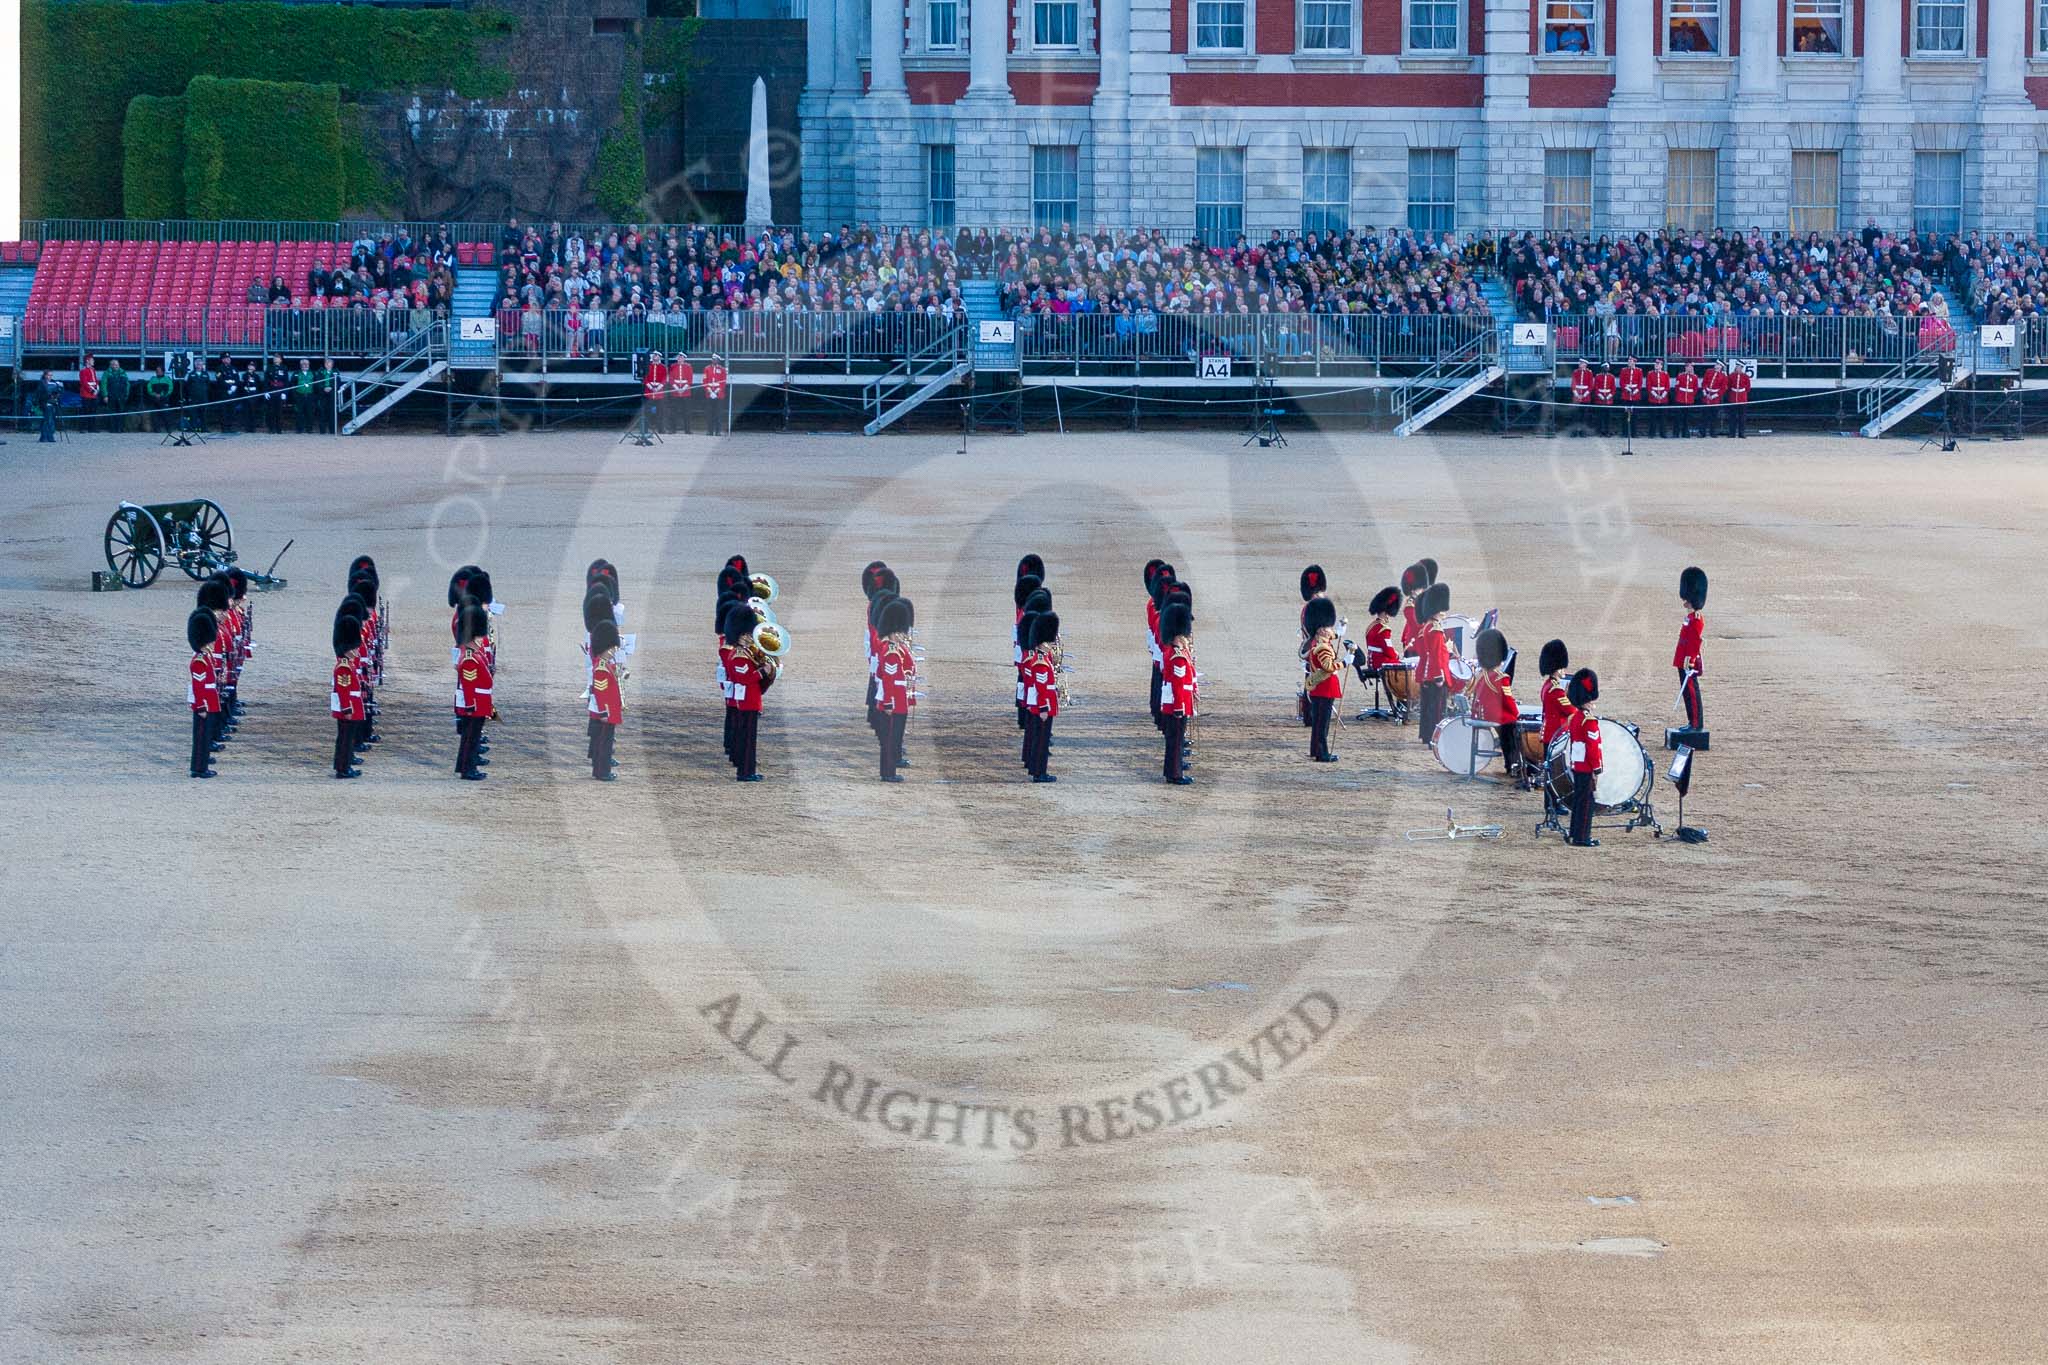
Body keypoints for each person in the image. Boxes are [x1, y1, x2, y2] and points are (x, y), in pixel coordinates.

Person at [1411, 581, 1464, 746]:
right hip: (1436, 673)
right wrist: (1439, 676)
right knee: (1436, 709)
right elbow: (1435, 656)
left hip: (1428, 672)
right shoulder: (1434, 629)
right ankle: (1434, 737)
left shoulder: (1428, 627)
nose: (1444, 613)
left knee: (1428, 706)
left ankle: (1427, 735)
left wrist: (1445, 648)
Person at [724, 603, 770, 781]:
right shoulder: (738, 656)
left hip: (750, 700)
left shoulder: (745, 652)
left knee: (749, 739)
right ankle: (745, 772)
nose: (751, 638)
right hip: (746, 702)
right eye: (748, 635)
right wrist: (762, 671)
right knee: (747, 739)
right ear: (741, 635)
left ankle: (748, 769)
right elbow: (744, 678)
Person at [1470, 627, 1522, 782]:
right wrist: (1517, 714)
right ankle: (1513, 763)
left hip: (1483, 713)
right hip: (1497, 716)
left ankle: (1511, 763)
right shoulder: (1500, 677)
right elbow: (1508, 701)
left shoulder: (1482, 674)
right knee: (1512, 729)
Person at [875, 595, 916, 781]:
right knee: (890, 740)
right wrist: (889, 704)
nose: (901, 634)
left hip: (898, 701)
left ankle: (888, 771)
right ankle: (888, 773)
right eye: (899, 631)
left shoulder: (892, 648)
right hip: (894, 703)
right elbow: (889, 682)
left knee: (891, 739)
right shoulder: (891, 652)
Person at [454, 600, 494, 780]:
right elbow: (469, 686)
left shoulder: (474, 655)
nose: (481, 640)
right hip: (475, 704)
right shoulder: (470, 658)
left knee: (472, 738)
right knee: (471, 739)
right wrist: (471, 705)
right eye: (479, 637)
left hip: (480, 702)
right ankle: (467, 769)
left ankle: (466, 766)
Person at [1565, 668, 1604, 847]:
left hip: (1577, 764)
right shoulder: (1588, 720)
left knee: (1579, 801)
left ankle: (1574, 833)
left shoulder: (1575, 717)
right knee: (1587, 803)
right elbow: (1593, 748)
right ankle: (1582, 837)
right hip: (1587, 766)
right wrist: (1597, 768)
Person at [1303, 596, 1344, 763]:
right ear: (1320, 629)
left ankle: (1316, 750)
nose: (1330, 629)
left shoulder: (1317, 641)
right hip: (1325, 686)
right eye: (1328, 627)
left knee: (1319, 723)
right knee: (1323, 724)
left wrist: (1340, 631)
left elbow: (1331, 635)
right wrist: (1345, 662)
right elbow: (1328, 667)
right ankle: (1322, 753)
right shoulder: (1322, 647)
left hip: (1319, 687)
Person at [1160, 600, 1197, 785]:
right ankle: (1175, 774)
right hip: (1177, 704)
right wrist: (1180, 707)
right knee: (1175, 741)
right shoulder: (1178, 657)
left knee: (1174, 740)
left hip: (1174, 702)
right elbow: (1178, 686)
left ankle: (1172, 771)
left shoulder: (1172, 652)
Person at [1022, 610, 1061, 782]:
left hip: (1043, 703)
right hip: (1043, 706)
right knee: (1041, 741)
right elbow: (1042, 688)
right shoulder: (1040, 663)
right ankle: (1040, 773)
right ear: (1040, 643)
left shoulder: (1040, 659)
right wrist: (1044, 708)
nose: (1050, 645)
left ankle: (1037, 769)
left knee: (1040, 739)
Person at [588, 617, 624, 780]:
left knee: (602, 743)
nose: (614, 651)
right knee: (604, 744)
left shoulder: (604, 663)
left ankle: (599, 771)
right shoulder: (601, 668)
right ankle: (603, 772)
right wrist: (604, 712)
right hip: (605, 713)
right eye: (611, 648)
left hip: (607, 712)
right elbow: (601, 693)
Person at [332, 613, 366, 779]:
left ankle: (342, 764)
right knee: (346, 739)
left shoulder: (348, 664)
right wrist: (347, 708)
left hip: (351, 705)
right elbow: (343, 690)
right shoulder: (344, 667)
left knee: (345, 738)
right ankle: (343, 768)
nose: (357, 651)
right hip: (349, 708)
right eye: (354, 648)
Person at [1676, 565, 1707, 730]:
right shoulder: (1689, 617)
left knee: (1692, 694)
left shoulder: (1696, 618)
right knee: (1687, 693)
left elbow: (1695, 641)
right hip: (1683, 659)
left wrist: (1690, 659)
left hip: (1689, 661)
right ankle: (1691, 722)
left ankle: (1696, 724)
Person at [1617, 355, 1644, 441]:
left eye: (1631, 360)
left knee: (1635, 415)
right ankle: (1625, 433)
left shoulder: (1639, 371)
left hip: (1635, 396)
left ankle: (1634, 433)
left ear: (1634, 362)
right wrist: (1627, 389)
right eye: (1628, 360)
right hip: (1626, 395)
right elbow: (1621, 382)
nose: (1629, 361)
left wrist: (1635, 391)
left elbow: (1640, 383)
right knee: (1625, 415)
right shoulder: (1623, 370)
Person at [1645, 358, 1672, 439]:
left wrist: (1662, 395)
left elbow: (1667, 386)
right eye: (1656, 363)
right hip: (1653, 398)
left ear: (1661, 366)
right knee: (1652, 417)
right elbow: (1649, 386)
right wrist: (1655, 395)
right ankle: (1651, 433)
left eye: (1658, 364)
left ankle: (1663, 433)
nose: (1656, 365)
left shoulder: (1665, 374)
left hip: (1663, 398)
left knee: (1663, 417)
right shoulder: (1650, 374)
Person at [669, 352, 695, 434]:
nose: (679, 358)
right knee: (673, 411)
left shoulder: (688, 367)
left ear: (684, 358)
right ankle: (673, 429)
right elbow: (671, 378)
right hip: (675, 391)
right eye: (678, 357)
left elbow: (690, 379)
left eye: (681, 357)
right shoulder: (673, 366)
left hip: (685, 392)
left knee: (686, 411)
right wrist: (676, 387)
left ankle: (687, 430)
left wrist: (683, 388)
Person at [643, 350, 668, 434]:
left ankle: (661, 429)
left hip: (659, 393)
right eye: (654, 355)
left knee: (661, 412)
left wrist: (658, 388)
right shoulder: (648, 366)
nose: (655, 356)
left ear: (659, 357)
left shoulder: (663, 367)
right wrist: (650, 387)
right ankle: (645, 429)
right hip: (649, 392)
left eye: (657, 355)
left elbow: (664, 379)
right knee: (646, 412)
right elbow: (645, 378)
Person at [704, 353, 730, 435]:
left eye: (715, 359)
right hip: (709, 394)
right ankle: (709, 431)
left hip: (719, 394)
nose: (714, 360)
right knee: (709, 413)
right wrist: (710, 391)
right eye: (713, 359)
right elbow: (705, 381)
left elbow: (723, 382)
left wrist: (716, 392)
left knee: (718, 414)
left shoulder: (722, 370)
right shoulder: (707, 369)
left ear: (718, 360)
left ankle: (718, 431)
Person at [1700, 357, 1727, 433]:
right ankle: (1702, 432)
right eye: (1717, 364)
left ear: (1721, 367)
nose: (1717, 366)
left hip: (1715, 398)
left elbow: (1723, 389)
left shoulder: (1723, 376)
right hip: (1706, 395)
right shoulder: (1708, 371)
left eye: (1719, 365)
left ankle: (1713, 432)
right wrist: (1705, 393)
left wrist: (1713, 396)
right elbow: (1704, 383)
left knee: (1714, 416)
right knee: (1704, 415)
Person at [1725, 361, 1750, 438]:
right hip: (1733, 397)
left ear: (1742, 368)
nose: (1738, 369)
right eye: (1737, 367)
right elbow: (1728, 386)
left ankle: (1741, 433)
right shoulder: (1731, 376)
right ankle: (1732, 433)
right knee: (1732, 416)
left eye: (1740, 367)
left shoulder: (1745, 376)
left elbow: (1748, 388)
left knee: (1742, 417)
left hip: (1742, 398)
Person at [104, 357, 130, 433]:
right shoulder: (107, 373)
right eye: (113, 364)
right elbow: (103, 384)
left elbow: (127, 384)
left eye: (116, 364)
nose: (115, 366)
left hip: (121, 396)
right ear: (110, 365)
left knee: (121, 412)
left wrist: (126, 394)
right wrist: (105, 395)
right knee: (112, 413)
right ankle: (112, 429)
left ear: (119, 365)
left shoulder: (123, 373)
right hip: (111, 396)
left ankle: (120, 428)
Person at [1569, 358, 1593, 436]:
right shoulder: (1575, 372)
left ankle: (1583, 432)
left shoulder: (1589, 373)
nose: (1580, 364)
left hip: (1585, 397)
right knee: (1575, 415)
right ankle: (1574, 431)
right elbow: (1573, 384)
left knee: (1584, 416)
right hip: (1576, 396)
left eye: (1582, 363)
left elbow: (1590, 386)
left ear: (1585, 364)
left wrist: (1584, 395)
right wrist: (1577, 394)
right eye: (1580, 363)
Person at [1674, 362, 1699, 435]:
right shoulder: (1680, 376)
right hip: (1680, 399)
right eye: (1689, 367)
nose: (1690, 368)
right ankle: (1676, 433)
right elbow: (1677, 387)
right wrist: (1680, 396)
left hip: (1689, 399)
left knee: (1687, 417)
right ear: (1686, 367)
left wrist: (1691, 396)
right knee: (1678, 417)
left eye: (1691, 367)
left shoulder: (1694, 377)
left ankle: (1685, 432)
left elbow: (1695, 388)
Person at [1592, 361, 1617, 436]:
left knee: (1608, 417)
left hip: (1608, 400)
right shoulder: (1598, 376)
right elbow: (1596, 388)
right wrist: (1601, 396)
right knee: (1600, 416)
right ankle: (1600, 431)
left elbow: (1613, 388)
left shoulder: (1611, 377)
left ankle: (1607, 431)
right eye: (1605, 367)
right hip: (1600, 399)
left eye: (1608, 367)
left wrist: (1609, 396)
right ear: (1602, 368)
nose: (1607, 368)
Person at [78, 355, 101, 432]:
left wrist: (97, 388)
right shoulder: (83, 371)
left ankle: (92, 427)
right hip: (86, 393)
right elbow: (84, 382)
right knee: (85, 411)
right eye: (92, 360)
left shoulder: (93, 370)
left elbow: (95, 380)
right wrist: (92, 390)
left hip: (93, 393)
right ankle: (83, 428)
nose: (93, 361)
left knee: (93, 411)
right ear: (87, 361)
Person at [37, 370, 59, 442]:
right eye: (49, 375)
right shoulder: (42, 383)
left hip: (51, 403)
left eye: (51, 375)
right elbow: (41, 395)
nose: (50, 377)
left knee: (51, 419)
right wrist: (49, 396)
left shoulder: (53, 382)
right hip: (45, 403)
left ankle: (49, 436)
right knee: (47, 420)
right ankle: (44, 436)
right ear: (45, 375)